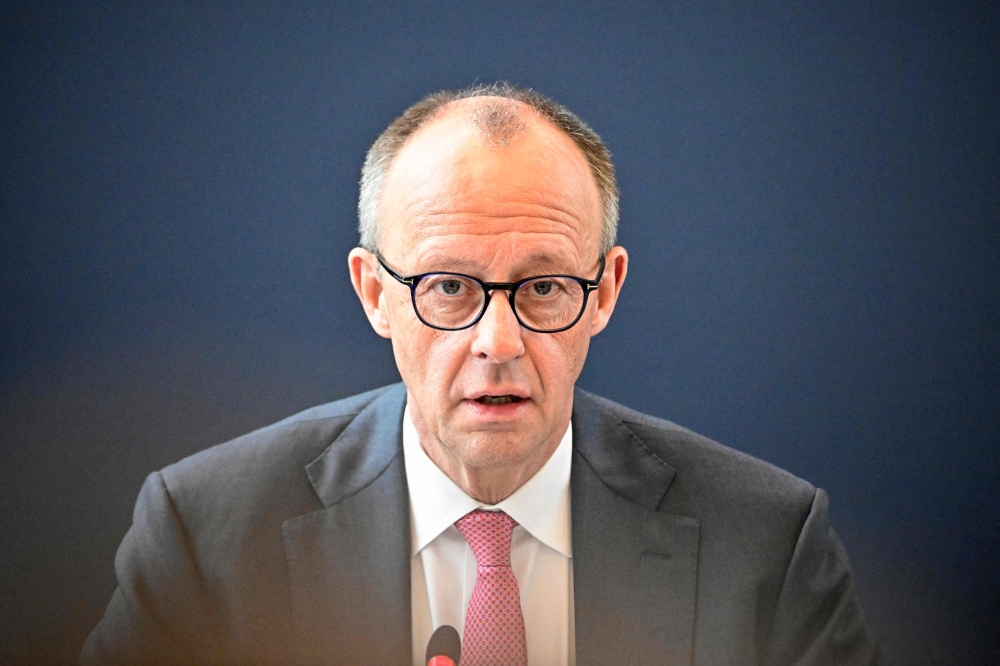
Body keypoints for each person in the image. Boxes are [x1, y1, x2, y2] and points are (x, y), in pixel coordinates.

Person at [82, 83, 878, 666]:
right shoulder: (208, 532)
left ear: (604, 293)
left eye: (543, 288)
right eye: (450, 287)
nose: (497, 342)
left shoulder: (766, 543)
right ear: (374, 294)